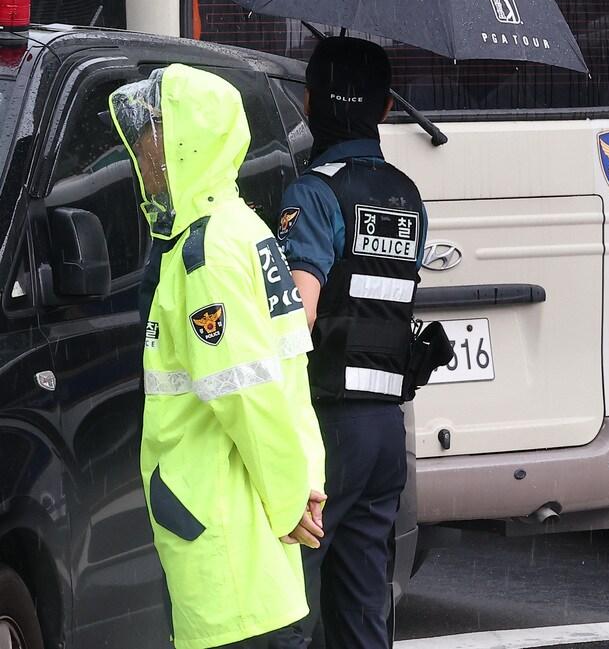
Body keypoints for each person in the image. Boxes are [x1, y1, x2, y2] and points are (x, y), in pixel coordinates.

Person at [111, 64, 326, 649]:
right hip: (249, 532)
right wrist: (300, 488)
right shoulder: (243, 229)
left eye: (155, 132)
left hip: (226, 537)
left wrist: (288, 503)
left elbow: (245, 393)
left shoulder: (203, 252)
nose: (144, 152)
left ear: (188, 138)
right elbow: (284, 381)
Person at [279, 37, 427, 649]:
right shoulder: (406, 194)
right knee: (365, 616)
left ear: (311, 103)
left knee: (287, 601)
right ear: (385, 110)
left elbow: (298, 314)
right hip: (386, 431)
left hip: (325, 429)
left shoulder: (314, 192)